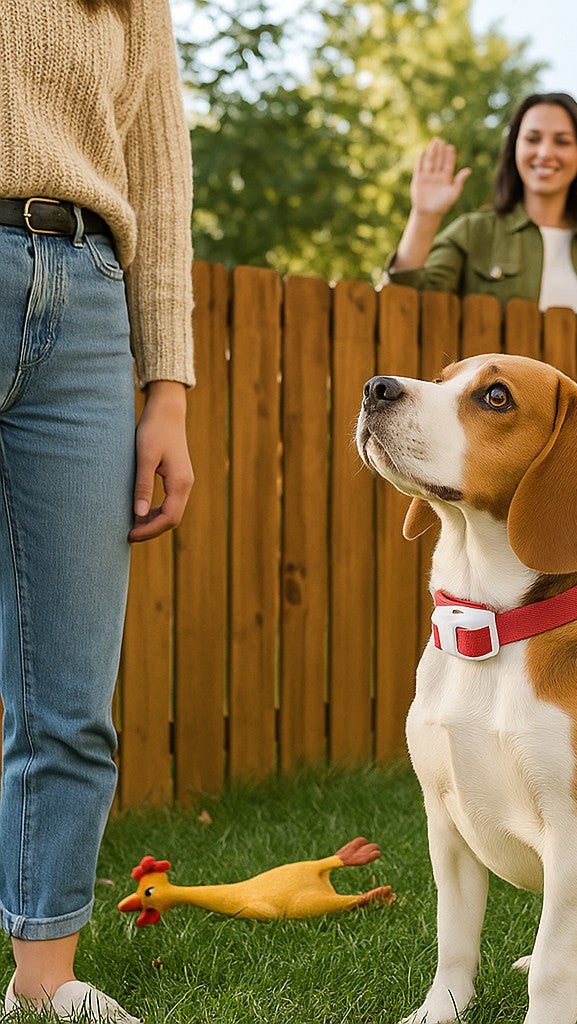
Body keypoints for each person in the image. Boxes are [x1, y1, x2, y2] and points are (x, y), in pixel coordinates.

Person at [1, 0, 195, 1020]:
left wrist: (166, 388)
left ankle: (43, 980)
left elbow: (159, 175)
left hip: (83, 297)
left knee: (70, 688)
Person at [387, 92, 577, 313]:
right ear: (514, 148)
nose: (545, 152)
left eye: (562, 142)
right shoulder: (474, 232)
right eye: (532, 139)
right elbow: (405, 305)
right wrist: (424, 216)